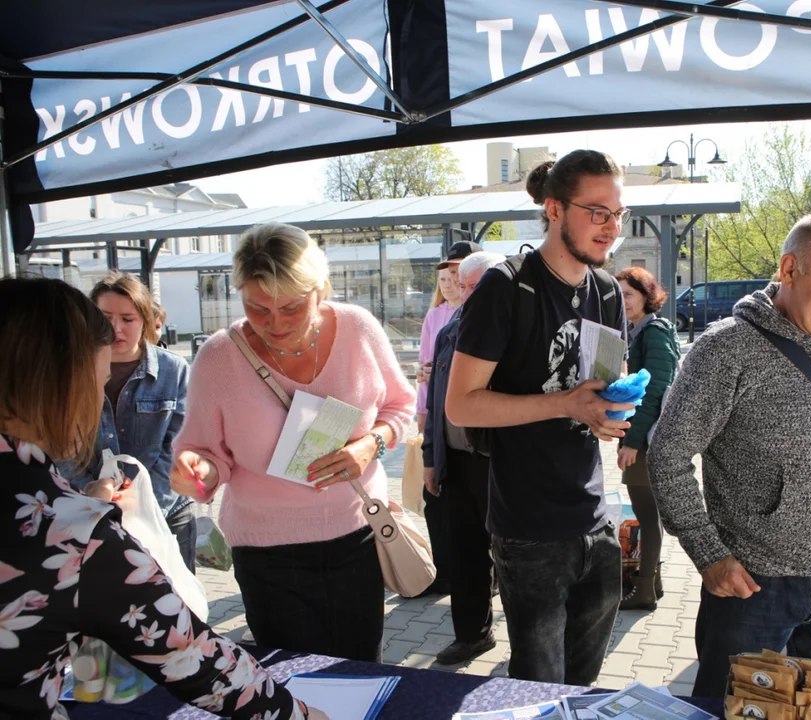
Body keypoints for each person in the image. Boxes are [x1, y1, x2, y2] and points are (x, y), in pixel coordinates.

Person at [0, 276, 328, 720]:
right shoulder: (75, 535)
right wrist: (303, 715)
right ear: (56, 384)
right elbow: (199, 662)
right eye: (92, 386)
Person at [648, 212, 811, 698]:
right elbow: (667, 454)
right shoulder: (725, 350)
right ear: (789, 270)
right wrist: (709, 555)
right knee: (731, 710)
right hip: (751, 588)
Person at [170, 223, 416, 662]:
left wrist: (371, 446)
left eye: (292, 307)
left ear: (320, 290)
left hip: (356, 535)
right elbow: (206, 454)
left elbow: (400, 405)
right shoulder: (219, 357)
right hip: (268, 554)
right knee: (289, 680)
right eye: (257, 308)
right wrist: (196, 471)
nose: (275, 323)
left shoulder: (357, 328)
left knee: (360, 670)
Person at [445, 150, 633, 685]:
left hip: (596, 515)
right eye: (596, 212)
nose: (611, 227)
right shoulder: (508, 285)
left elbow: (597, 387)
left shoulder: (607, 291)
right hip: (528, 528)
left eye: (617, 213)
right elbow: (460, 403)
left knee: (583, 684)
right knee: (538, 685)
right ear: (554, 208)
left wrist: (609, 412)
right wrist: (566, 403)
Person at [55, 271, 195, 571]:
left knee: (180, 605)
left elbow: (179, 445)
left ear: (145, 319)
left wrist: (140, 508)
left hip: (166, 513)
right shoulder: (70, 371)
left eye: (127, 319)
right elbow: (62, 447)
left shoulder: (174, 370)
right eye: (105, 317)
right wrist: (98, 505)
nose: (115, 328)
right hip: (90, 516)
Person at [423, 250, 506, 665]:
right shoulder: (449, 330)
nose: (471, 294)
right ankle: (473, 634)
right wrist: (430, 458)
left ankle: (532, 639)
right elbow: (435, 403)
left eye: (480, 286)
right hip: (456, 464)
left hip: (501, 465)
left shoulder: (513, 332)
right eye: (466, 285)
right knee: (466, 556)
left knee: (513, 556)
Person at [613, 267, 680, 612]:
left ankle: (644, 592)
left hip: (648, 441)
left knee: (647, 516)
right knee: (647, 514)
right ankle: (652, 582)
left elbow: (654, 392)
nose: (622, 301)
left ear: (646, 296)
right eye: (619, 294)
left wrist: (633, 442)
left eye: (628, 294)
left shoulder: (652, 332)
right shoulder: (639, 330)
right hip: (643, 437)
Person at [418, 241, 481, 596]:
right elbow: (428, 373)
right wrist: (422, 413)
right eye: (447, 276)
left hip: (479, 443)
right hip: (445, 433)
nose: (454, 283)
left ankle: (478, 581)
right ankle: (445, 573)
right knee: (441, 506)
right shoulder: (439, 320)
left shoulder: (491, 317)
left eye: (459, 275)